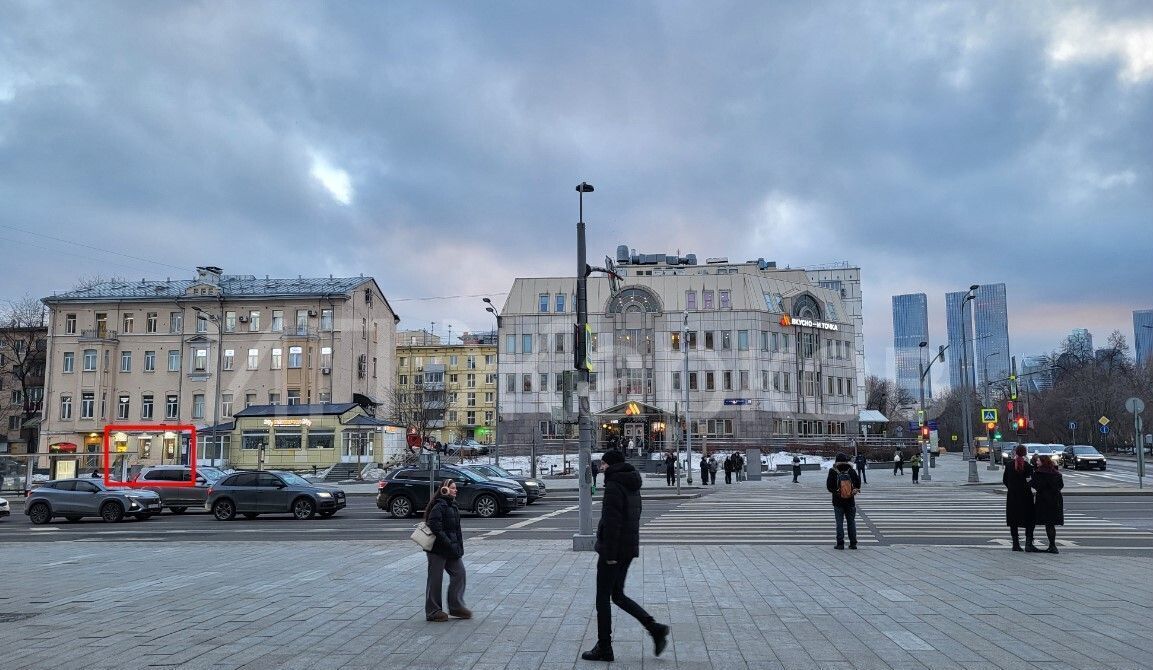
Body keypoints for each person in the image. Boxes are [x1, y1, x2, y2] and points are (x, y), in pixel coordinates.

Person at [582, 450, 669, 662]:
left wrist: (609, 554)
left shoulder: (613, 485)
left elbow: (612, 522)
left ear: (610, 465)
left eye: (603, 464)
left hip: (613, 551)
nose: (601, 468)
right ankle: (654, 628)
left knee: (603, 598)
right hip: (627, 548)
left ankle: (604, 647)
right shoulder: (631, 483)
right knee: (617, 595)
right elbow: (634, 515)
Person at [423, 479, 471, 622]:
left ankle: (456, 607)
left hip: (451, 549)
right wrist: (449, 543)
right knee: (435, 580)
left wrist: (457, 547)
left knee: (460, 573)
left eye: (455, 488)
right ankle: (433, 611)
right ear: (444, 489)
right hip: (437, 549)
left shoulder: (452, 505)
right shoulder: (439, 505)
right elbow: (435, 527)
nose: (456, 490)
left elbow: (456, 530)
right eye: (453, 488)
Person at [1002, 444, 1037, 552]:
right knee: (1029, 520)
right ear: (1025, 453)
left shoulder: (1009, 465)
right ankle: (1028, 544)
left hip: (1012, 496)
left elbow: (1005, 480)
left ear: (1016, 452)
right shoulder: (1027, 466)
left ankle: (1015, 544)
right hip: (1026, 496)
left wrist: (1012, 488)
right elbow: (1031, 481)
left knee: (1013, 521)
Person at [826, 453, 861, 549]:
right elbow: (858, 483)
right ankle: (853, 543)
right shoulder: (851, 470)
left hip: (838, 502)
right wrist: (854, 490)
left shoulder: (833, 471)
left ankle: (840, 544)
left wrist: (836, 492)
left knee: (839, 523)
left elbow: (829, 486)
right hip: (850, 501)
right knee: (851, 522)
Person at [1031, 454, 1064, 554]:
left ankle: (1031, 543)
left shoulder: (1039, 473)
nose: (1036, 462)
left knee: (1042, 522)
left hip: (1043, 500)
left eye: (1038, 461)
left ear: (1043, 462)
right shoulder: (1056, 473)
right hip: (1055, 500)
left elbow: (1036, 485)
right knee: (1051, 524)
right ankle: (1052, 545)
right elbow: (1061, 486)